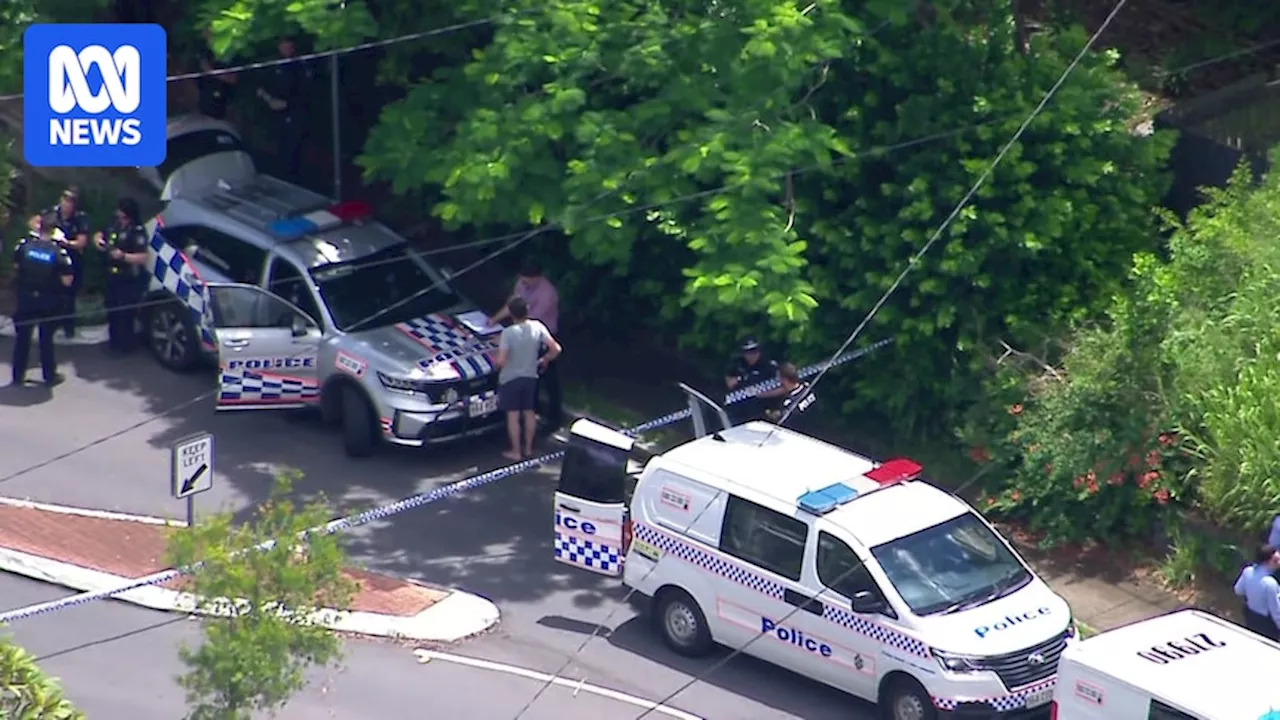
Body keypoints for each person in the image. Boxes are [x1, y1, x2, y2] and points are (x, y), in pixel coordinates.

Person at [488, 264, 563, 427]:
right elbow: (512, 306)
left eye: (526, 281)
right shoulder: (522, 284)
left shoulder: (547, 294)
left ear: (536, 277)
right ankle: (532, 411)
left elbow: (526, 320)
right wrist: (494, 320)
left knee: (550, 380)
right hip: (527, 333)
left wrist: (504, 338)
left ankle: (554, 416)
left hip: (542, 335)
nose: (523, 283)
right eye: (521, 280)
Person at [11, 213, 75, 386]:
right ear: (54, 230)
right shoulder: (59, 252)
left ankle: (17, 376)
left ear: (39, 227)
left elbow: (16, 266)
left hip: (26, 299)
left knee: (22, 338)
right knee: (46, 339)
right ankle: (49, 376)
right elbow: (67, 281)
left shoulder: (24, 245)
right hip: (48, 302)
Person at [495, 297, 562, 461]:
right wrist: (544, 360)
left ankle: (516, 451)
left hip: (511, 379)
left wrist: (496, 361)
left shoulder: (508, 333)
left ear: (511, 313)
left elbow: (501, 361)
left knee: (513, 416)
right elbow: (556, 348)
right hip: (531, 377)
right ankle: (529, 448)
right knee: (529, 412)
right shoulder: (537, 326)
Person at [95, 197, 151, 354]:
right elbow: (100, 233)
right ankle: (113, 343)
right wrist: (98, 240)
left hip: (129, 278)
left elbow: (143, 257)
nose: (118, 214)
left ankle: (126, 345)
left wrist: (123, 256)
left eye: (122, 212)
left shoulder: (137, 231)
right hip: (111, 276)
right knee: (111, 310)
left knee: (126, 314)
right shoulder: (114, 224)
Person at [255, 37, 312, 181]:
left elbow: (306, 92)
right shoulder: (272, 63)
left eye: (289, 46)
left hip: (295, 112)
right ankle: (282, 174)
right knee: (280, 145)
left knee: (294, 147)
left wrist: (288, 104)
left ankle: (293, 176)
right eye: (283, 46)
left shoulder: (299, 64)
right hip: (276, 112)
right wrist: (269, 99)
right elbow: (259, 86)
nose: (286, 49)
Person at [48, 186, 90, 338]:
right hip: (53, 261)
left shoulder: (80, 218)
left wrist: (66, 242)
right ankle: (52, 324)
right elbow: (35, 222)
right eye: (65, 199)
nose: (66, 204)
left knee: (69, 296)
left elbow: (82, 242)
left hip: (71, 261)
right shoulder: (53, 213)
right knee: (52, 293)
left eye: (70, 201)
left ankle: (68, 327)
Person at [1233, 544, 1280, 640]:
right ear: (1267, 562)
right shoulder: (1270, 583)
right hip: (1266, 623)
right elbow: (1276, 612)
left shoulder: (1248, 571)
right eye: (1276, 560)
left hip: (1250, 616)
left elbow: (1238, 590)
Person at [196, 30, 238, 119]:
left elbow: (233, 79)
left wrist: (211, 71)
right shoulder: (204, 54)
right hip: (206, 99)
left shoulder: (226, 54)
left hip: (223, 100)